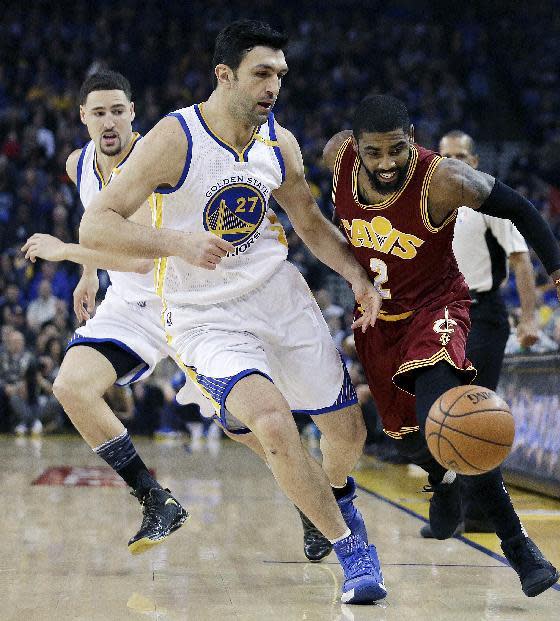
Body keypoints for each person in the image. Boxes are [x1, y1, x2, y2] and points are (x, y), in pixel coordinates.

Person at [79, 21, 386, 605]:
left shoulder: (280, 140)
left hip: (281, 297)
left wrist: (357, 277)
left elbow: (311, 224)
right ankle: (352, 548)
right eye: (261, 74)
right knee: (274, 424)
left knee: (345, 435)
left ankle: (335, 495)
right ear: (225, 76)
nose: (274, 85)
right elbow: (97, 223)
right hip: (202, 313)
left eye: (280, 75)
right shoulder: (174, 137)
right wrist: (179, 244)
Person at [323, 94, 560, 598]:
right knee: (409, 440)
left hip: (438, 307)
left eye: (397, 149)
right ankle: (443, 477)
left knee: (451, 418)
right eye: (375, 152)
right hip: (377, 320)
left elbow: (520, 208)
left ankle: (520, 548)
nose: (387, 163)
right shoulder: (335, 157)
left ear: (413, 140)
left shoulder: (445, 179)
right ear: (356, 148)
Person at [23, 69, 190, 555]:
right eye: (99, 113)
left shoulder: (146, 162)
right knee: (70, 387)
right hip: (128, 303)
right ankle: (156, 500)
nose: (110, 121)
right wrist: (89, 276)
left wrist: (67, 253)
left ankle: (313, 504)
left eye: (119, 110)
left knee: (240, 424)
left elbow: (140, 256)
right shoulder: (79, 164)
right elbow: (95, 223)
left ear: (133, 112)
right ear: (83, 118)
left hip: (180, 297)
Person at [420, 129, 539, 538]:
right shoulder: (429, 206)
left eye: (460, 156)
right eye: (444, 155)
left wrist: (530, 319)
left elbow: (521, 262)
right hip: (440, 315)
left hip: (483, 312)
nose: (451, 161)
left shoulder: (490, 205)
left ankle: (482, 514)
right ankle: (451, 506)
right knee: (438, 409)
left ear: (473, 162)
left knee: (475, 410)